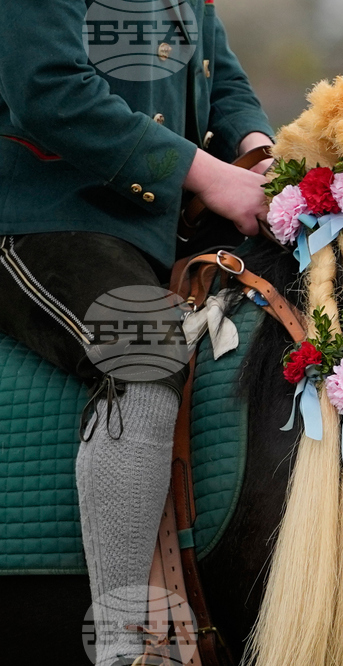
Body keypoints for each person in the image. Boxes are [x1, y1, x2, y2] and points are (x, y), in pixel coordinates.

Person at [0, 1, 273, 663]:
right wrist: (209, 175)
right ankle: (126, 647)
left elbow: (220, 76)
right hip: (42, 216)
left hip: (154, 224)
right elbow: (49, 91)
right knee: (146, 348)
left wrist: (258, 157)